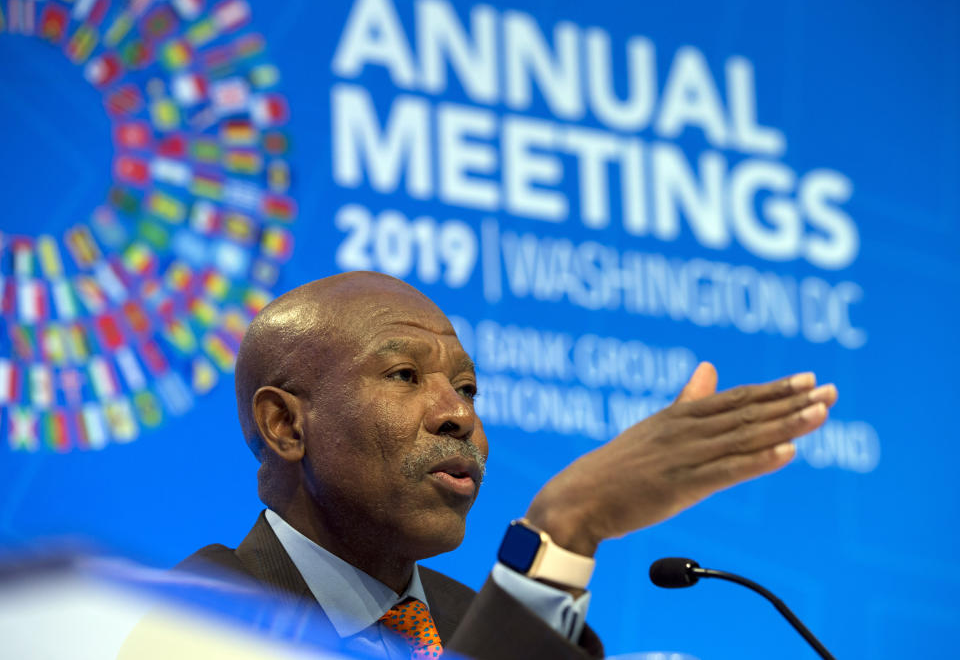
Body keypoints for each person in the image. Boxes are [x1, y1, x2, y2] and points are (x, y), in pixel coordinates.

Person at [178, 271, 837, 660]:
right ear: (286, 424)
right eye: (406, 374)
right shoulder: (193, 617)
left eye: (467, 388)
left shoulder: (482, 623)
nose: (457, 415)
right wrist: (564, 529)